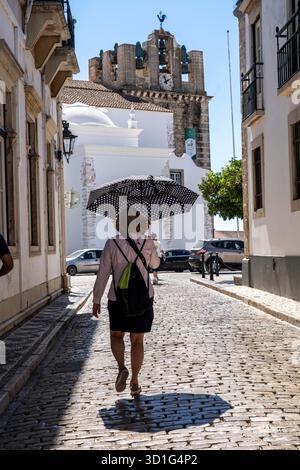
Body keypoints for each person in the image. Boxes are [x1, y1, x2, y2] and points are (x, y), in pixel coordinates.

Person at [92, 217, 160, 398]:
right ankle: (135, 382)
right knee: (137, 340)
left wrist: (96, 299)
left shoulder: (112, 243)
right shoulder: (147, 242)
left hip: (118, 298)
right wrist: (154, 248)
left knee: (116, 334)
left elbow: (103, 272)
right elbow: (155, 265)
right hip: (143, 298)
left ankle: (122, 367)